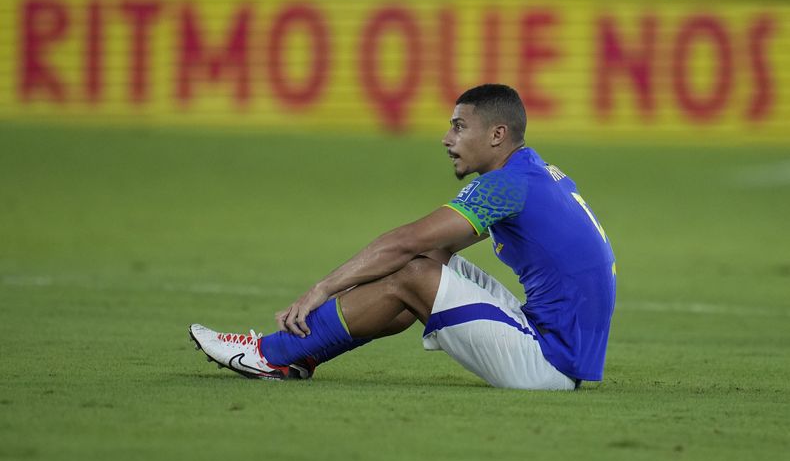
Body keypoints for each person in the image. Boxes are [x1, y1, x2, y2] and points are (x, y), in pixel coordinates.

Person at [189, 84, 616, 390]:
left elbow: (405, 243)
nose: (447, 139)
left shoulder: (506, 185)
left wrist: (320, 290)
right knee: (425, 263)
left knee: (413, 270)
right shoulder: (534, 172)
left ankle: (272, 353)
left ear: (497, 135)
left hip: (548, 363)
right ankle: (300, 354)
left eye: (459, 127)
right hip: (561, 347)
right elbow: (430, 250)